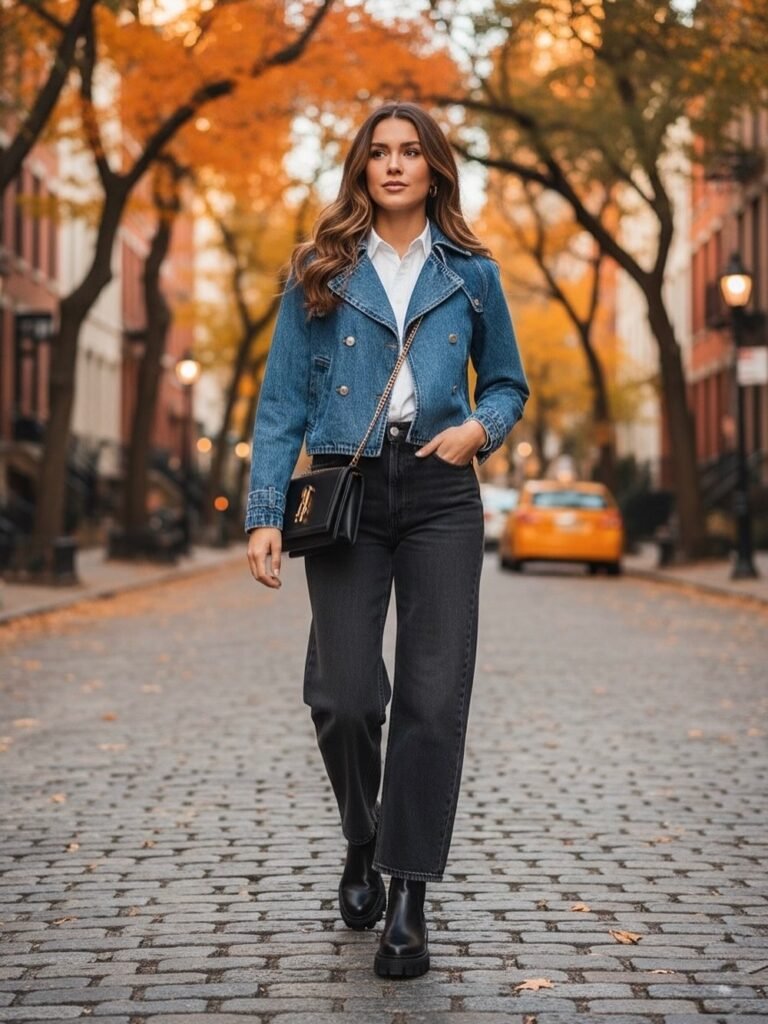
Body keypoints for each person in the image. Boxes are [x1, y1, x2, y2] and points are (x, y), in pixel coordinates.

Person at [246, 101, 528, 978]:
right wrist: (263, 510)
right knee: (345, 696)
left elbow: (509, 385)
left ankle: (408, 892)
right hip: (345, 491)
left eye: (412, 152)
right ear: (361, 169)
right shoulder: (319, 270)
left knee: (432, 699)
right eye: (381, 153)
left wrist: (479, 428)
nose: (396, 165)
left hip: (443, 494)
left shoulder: (472, 272)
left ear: (435, 168)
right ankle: (362, 837)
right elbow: (282, 399)